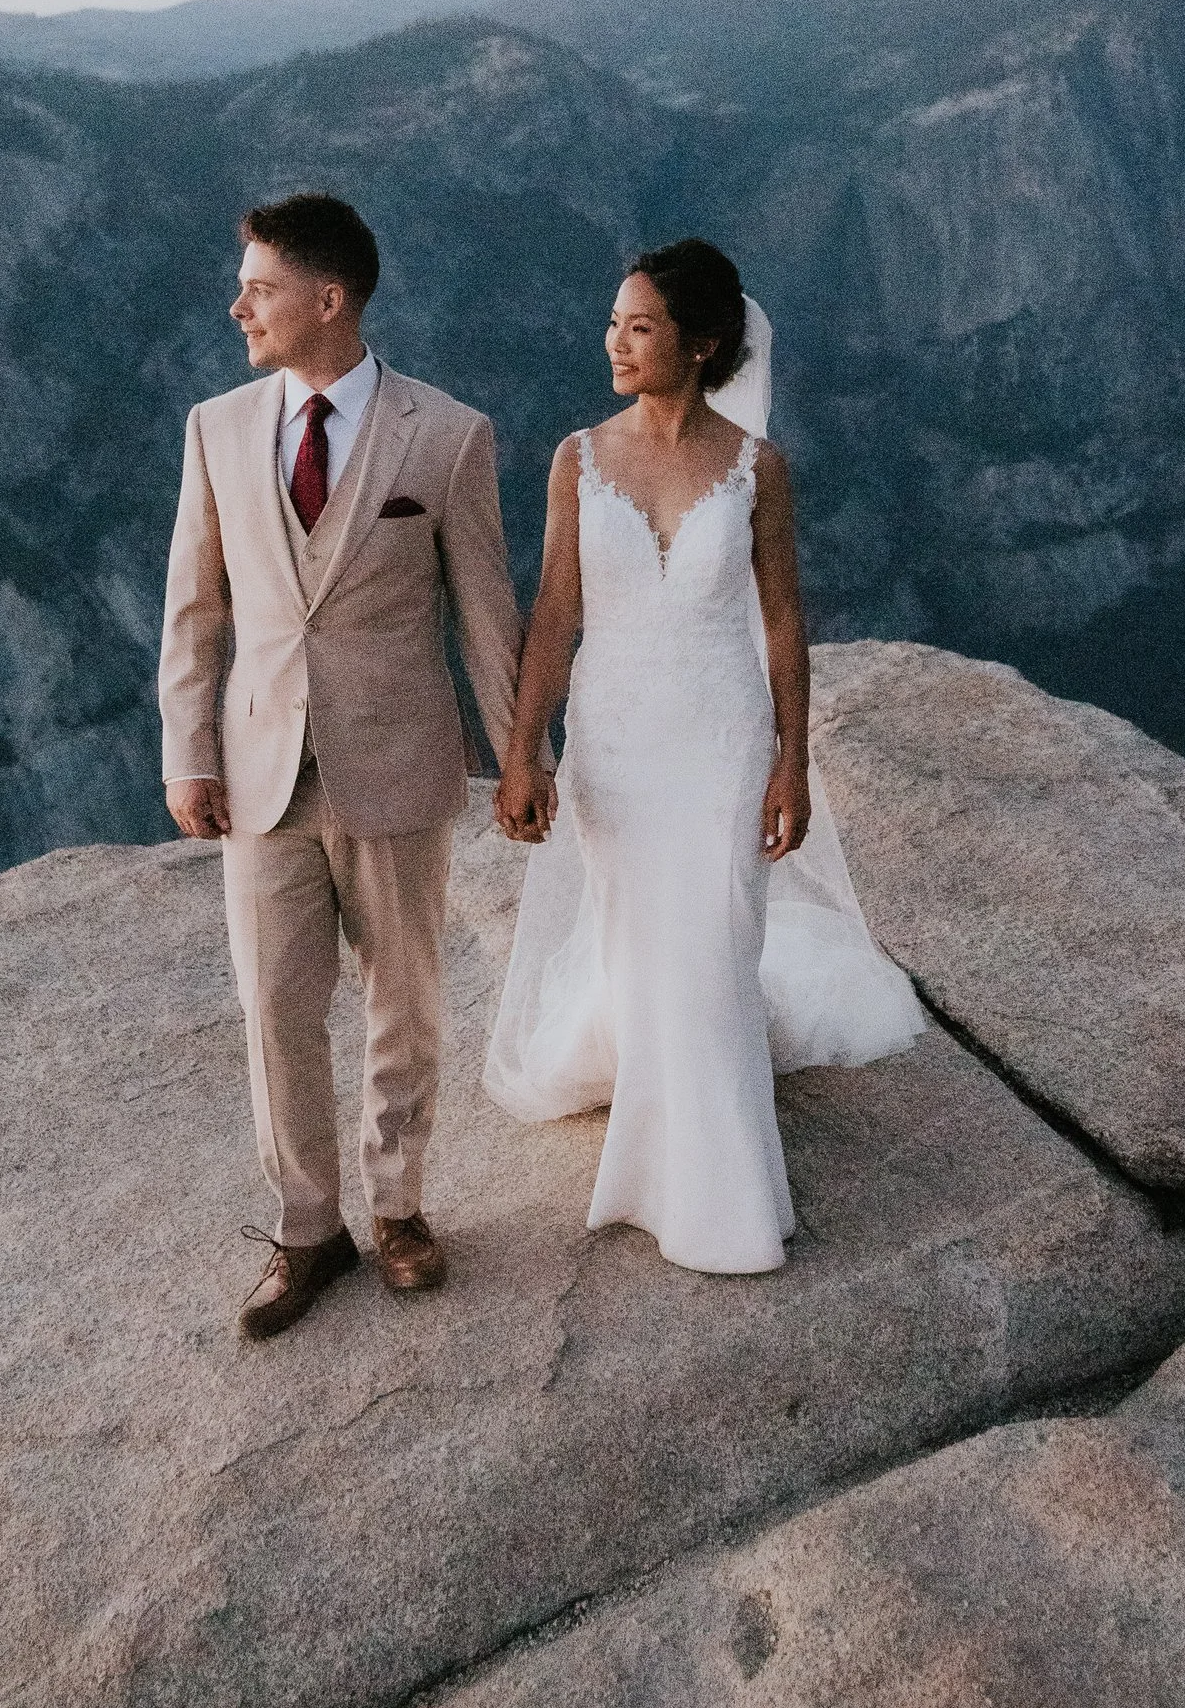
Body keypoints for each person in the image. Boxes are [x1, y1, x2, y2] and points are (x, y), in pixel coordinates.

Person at [485, 238, 920, 1272]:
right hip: (616, 741)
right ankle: (657, 1153)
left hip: (723, 740)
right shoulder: (578, 458)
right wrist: (523, 751)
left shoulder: (756, 468)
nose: (616, 344)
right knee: (646, 944)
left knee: (715, 941)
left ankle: (714, 1191)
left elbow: (782, 622)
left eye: (640, 327)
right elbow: (552, 612)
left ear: (702, 344)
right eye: (613, 324)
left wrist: (791, 764)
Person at [160, 192, 525, 1339]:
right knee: (273, 1007)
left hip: (399, 761)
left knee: (402, 1000)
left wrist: (522, 757)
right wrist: (188, 749)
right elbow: (194, 609)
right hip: (262, 769)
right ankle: (306, 1230)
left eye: (259, 289)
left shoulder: (446, 433)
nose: (239, 308)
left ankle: (401, 1208)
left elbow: (485, 613)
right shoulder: (216, 429)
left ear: (329, 301)